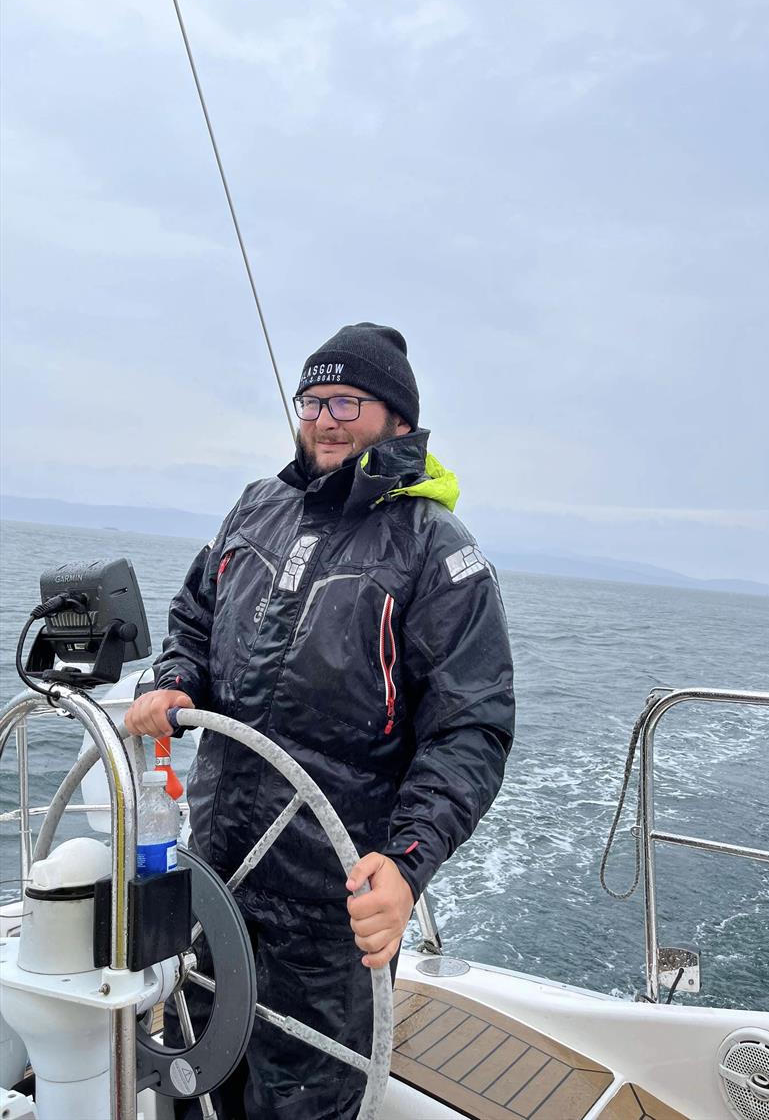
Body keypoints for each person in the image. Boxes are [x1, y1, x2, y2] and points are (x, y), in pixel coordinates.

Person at [125, 322, 514, 1119]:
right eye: (312, 399)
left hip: (337, 903)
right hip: (219, 874)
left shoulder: (436, 551)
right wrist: (175, 677)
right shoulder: (257, 506)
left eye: (348, 400)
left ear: (397, 419)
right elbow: (195, 611)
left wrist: (405, 864)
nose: (325, 418)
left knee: (303, 1101)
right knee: (195, 1075)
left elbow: (471, 729)